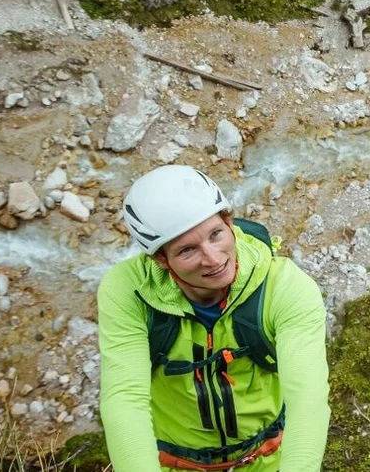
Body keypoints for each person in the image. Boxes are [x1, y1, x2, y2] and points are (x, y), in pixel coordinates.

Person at [96, 165, 330, 471]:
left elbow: (307, 403)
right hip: (174, 464)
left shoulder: (284, 286)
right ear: (160, 259)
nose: (214, 259)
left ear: (229, 221)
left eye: (216, 234)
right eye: (188, 250)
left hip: (267, 460)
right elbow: (125, 400)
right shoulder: (129, 290)